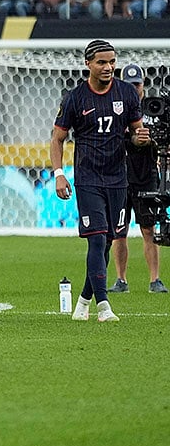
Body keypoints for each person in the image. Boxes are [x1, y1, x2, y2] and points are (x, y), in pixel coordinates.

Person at [50, 40, 148, 322]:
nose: (109, 68)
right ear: (88, 64)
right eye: (102, 63)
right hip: (88, 178)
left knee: (106, 241)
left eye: (112, 62)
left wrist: (140, 138)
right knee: (96, 241)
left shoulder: (127, 93)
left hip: (118, 178)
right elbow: (57, 139)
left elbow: (135, 132)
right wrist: (59, 175)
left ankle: (82, 301)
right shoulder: (75, 98)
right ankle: (104, 306)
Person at [109, 64, 168, 294]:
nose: (134, 89)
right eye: (130, 85)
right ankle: (121, 280)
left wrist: (151, 141)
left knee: (148, 229)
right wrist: (133, 139)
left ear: (144, 84)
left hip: (147, 177)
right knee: (119, 231)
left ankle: (155, 279)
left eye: (137, 84)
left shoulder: (156, 110)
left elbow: (164, 140)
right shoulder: (115, 109)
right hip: (119, 177)